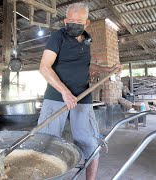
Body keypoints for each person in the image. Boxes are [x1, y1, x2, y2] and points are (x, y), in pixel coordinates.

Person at [38, 3, 122, 180]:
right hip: (56, 96)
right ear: (65, 20)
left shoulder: (87, 41)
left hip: (83, 97)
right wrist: (64, 92)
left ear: (87, 23)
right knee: (45, 142)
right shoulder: (57, 37)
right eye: (71, 21)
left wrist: (108, 69)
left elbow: (86, 65)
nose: (74, 24)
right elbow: (44, 67)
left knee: (90, 142)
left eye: (79, 21)